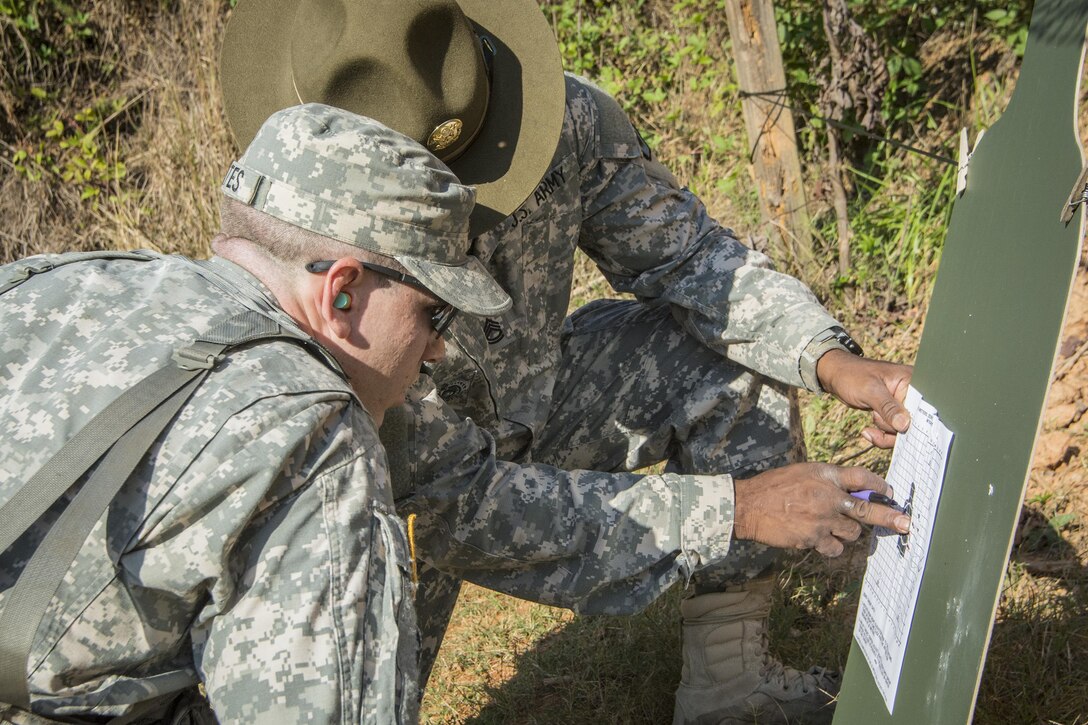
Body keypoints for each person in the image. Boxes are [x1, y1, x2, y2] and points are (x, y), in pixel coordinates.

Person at [221, 2, 914, 723]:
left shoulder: (560, 125)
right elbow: (464, 499)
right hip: (387, 484)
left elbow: (692, 258)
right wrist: (741, 509)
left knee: (722, 350)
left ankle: (729, 683)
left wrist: (831, 359)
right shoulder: (290, 239)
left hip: (534, 411)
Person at [0, 104, 511, 724]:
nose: (438, 347)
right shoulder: (312, 436)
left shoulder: (55, 281)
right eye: (436, 314)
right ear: (341, 291)